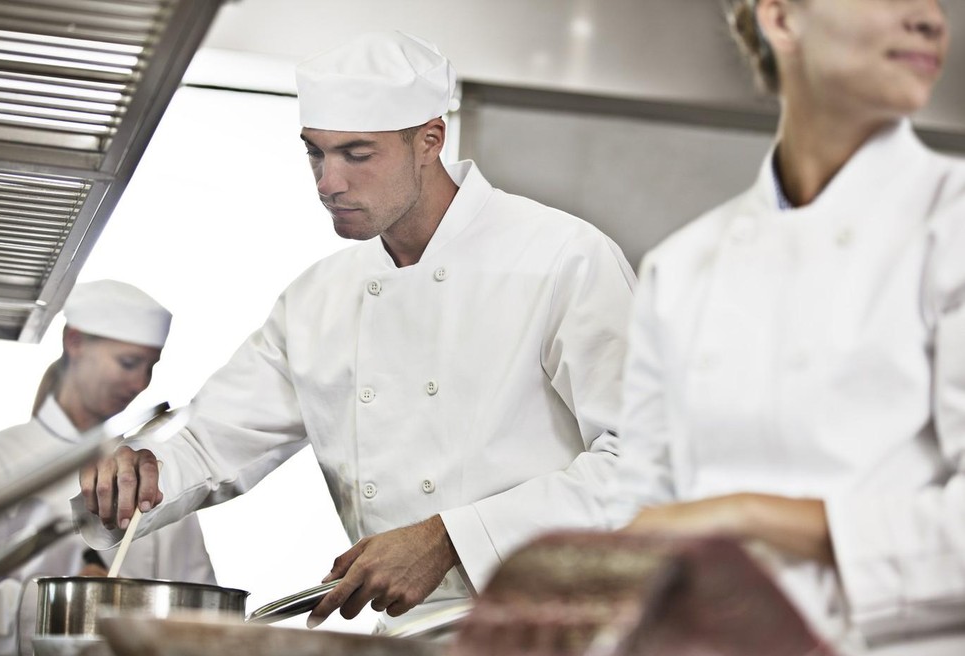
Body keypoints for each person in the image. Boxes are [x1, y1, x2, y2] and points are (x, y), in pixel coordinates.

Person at [73, 31, 637, 632]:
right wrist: (139, 475)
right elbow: (213, 444)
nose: (327, 182)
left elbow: (652, 464)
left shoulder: (561, 258)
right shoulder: (319, 300)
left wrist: (453, 538)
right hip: (410, 636)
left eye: (357, 155)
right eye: (315, 153)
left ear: (430, 140)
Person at [615, 0, 964, 654]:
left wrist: (743, 513)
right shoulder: (682, 267)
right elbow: (638, 522)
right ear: (780, 19)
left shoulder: (952, 224)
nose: (931, 17)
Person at [0, 280, 216, 656]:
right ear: (74, 342)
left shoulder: (147, 471)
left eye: (150, 367)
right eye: (128, 363)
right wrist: (64, 604)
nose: (139, 383)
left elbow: (199, 608)